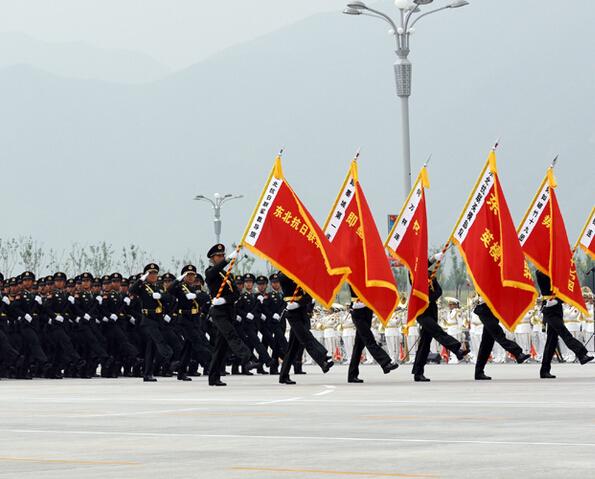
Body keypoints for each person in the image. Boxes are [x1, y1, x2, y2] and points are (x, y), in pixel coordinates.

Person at [204, 244, 257, 386]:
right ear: (212, 258)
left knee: (220, 347)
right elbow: (212, 273)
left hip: (228, 311)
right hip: (219, 313)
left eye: (222, 255)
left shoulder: (227, 275)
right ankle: (248, 359)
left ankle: (213, 377)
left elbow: (235, 294)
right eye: (218, 256)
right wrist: (227, 260)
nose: (221, 257)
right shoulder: (211, 272)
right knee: (232, 335)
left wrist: (225, 299)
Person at [411, 253, 468, 382]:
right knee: (438, 332)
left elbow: (439, 291)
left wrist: (428, 299)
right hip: (421, 312)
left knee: (425, 344)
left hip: (431, 310)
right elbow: (417, 271)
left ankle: (418, 372)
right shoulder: (413, 275)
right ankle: (457, 348)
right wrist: (432, 259)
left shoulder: (431, 275)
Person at [535, 270, 593, 378]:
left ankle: (544, 370)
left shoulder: (555, 271)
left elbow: (562, 291)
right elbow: (549, 289)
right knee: (564, 333)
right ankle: (581, 354)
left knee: (551, 342)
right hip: (549, 309)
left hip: (557, 309)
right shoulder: (541, 272)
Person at [278, 272, 333, 385]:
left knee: (292, 348)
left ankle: (283, 375)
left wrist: (298, 303)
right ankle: (323, 359)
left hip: (301, 311)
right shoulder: (285, 274)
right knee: (306, 338)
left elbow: (309, 296)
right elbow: (282, 279)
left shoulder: (303, 276)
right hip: (291, 313)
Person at [129, 263, 173, 382]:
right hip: (148, 318)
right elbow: (131, 290)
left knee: (151, 347)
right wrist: (140, 279)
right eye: (150, 273)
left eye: (155, 273)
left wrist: (161, 296)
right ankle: (169, 356)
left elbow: (170, 298)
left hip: (158, 318)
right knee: (158, 341)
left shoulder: (159, 287)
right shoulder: (143, 287)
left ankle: (148, 373)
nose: (153, 275)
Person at [346, 286, 399, 383]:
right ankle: (385, 362)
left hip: (367, 310)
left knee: (358, 346)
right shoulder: (353, 275)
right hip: (357, 311)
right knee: (369, 339)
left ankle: (352, 375)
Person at [472, 300, 530, 380]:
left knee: (486, 345)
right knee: (499, 336)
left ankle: (479, 372)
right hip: (485, 310)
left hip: (492, 311)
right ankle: (518, 353)